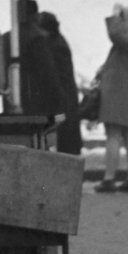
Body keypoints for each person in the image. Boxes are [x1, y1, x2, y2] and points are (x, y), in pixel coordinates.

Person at [93, 4, 128, 193]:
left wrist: (114, 17)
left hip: (119, 92)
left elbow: (114, 36)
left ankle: (109, 178)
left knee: (113, 135)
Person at [38, 11, 83, 156]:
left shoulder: (54, 46)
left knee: (66, 141)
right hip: (67, 98)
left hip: (63, 99)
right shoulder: (58, 41)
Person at [18, 0, 66, 121]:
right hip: (39, 102)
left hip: (17, 100)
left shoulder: (8, 37)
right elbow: (49, 73)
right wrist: (59, 99)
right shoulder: (38, 39)